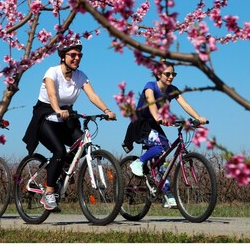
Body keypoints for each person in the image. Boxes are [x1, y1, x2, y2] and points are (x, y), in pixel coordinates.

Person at [22, 39, 117, 211]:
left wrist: (107, 110)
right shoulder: (52, 72)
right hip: (45, 117)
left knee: (82, 143)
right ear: (63, 56)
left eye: (79, 55)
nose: (77, 58)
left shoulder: (80, 76)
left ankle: (63, 166)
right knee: (59, 150)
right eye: (72, 55)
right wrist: (58, 109)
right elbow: (51, 94)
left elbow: (93, 96)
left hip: (66, 118)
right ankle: (49, 192)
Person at [122, 60, 207, 208]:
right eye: (167, 74)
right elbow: (151, 102)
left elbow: (185, 104)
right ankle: (138, 162)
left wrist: (198, 118)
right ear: (158, 74)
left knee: (164, 154)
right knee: (161, 147)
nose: (171, 77)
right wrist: (158, 117)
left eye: (173, 74)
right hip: (141, 123)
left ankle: (166, 194)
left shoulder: (172, 89)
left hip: (155, 124)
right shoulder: (150, 86)